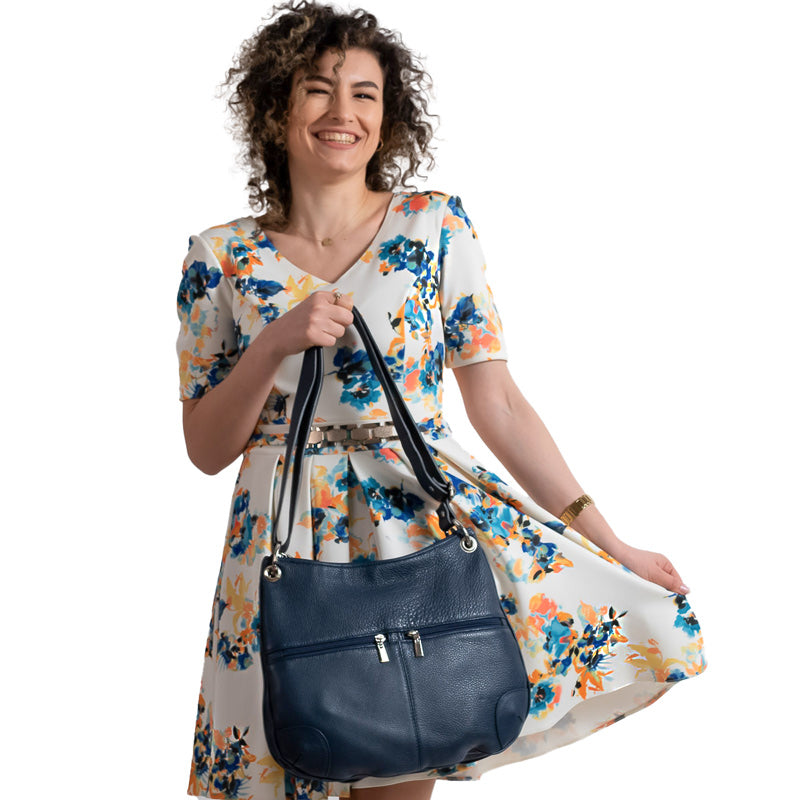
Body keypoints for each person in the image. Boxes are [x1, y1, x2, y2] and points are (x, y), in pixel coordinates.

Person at [176, 2, 706, 799]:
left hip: (414, 536)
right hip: (280, 547)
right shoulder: (219, 258)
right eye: (318, 89)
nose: (342, 111)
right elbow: (206, 449)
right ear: (276, 106)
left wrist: (610, 541)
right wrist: (273, 344)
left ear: (388, 118)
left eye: (364, 94)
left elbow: (501, 407)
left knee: (407, 761)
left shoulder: (433, 227)